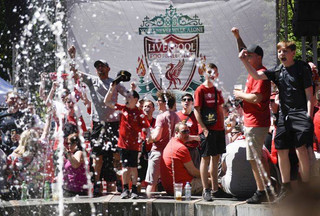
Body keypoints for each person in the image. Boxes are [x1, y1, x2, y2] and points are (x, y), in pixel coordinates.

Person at [238, 41, 313, 202]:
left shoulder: (302, 67)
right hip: (283, 116)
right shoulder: (278, 70)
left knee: (301, 150)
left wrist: (309, 116)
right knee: (281, 150)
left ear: (293, 52)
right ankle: (286, 188)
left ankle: (306, 188)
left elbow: (309, 95)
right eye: (279, 52)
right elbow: (257, 75)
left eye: (285, 51)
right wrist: (244, 61)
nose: (281, 54)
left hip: (300, 113)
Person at [68, 46, 128, 195]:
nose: (99, 68)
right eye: (97, 66)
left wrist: (132, 104)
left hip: (114, 124)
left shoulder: (115, 83)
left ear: (108, 68)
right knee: (97, 157)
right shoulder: (91, 80)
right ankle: (96, 185)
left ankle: (121, 184)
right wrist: (72, 57)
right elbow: (74, 73)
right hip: (98, 124)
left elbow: (128, 96)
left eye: (102, 66)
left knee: (116, 155)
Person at [231, 27, 271, 203]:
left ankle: (262, 191)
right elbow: (243, 51)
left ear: (258, 57)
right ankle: (267, 187)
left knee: (254, 159)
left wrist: (239, 95)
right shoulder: (253, 70)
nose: (246, 58)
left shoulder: (261, 73)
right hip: (252, 122)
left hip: (256, 122)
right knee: (256, 158)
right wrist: (238, 37)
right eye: (246, 56)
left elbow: (257, 98)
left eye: (250, 56)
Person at [104, 83, 150, 199]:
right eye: (126, 97)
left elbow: (147, 127)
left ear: (135, 99)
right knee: (125, 167)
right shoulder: (123, 108)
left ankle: (134, 189)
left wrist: (148, 137)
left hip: (134, 146)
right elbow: (107, 102)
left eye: (129, 97)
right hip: (122, 145)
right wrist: (111, 88)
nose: (127, 99)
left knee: (133, 168)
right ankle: (125, 189)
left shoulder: (139, 113)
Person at [194, 63, 231, 201]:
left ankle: (216, 189)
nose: (212, 74)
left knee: (216, 158)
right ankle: (206, 189)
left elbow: (220, 109)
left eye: (214, 72)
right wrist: (203, 128)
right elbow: (196, 111)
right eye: (209, 71)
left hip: (218, 129)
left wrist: (224, 127)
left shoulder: (217, 90)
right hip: (206, 130)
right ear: (205, 73)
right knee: (205, 158)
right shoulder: (200, 90)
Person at [145, 90, 181, 197]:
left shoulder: (161, 117)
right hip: (170, 154)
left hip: (158, 152)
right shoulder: (176, 116)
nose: (157, 102)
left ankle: (148, 208)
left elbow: (157, 137)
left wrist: (149, 136)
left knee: (152, 182)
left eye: (159, 100)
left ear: (164, 102)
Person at [221, 126, 269, 198]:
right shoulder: (260, 147)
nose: (231, 136)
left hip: (233, 189)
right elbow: (266, 167)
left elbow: (224, 169)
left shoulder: (228, 147)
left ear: (239, 134)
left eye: (233, 133)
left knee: (222, 179)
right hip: (256, 188)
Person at [161, 122, 202, 195]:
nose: (187, 134)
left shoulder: (171, 143)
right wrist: (209, 174)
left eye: (188, 131)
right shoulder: (181, 148)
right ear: (176, 133)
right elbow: (193, 172)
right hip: (182, 188)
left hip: (171, 188)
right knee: (212, 182)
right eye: (184, 132)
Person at [176, 93, 201, 169]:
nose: (186, 101)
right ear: (181, 103)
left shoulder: (197, 117)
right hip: (179, 150)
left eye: (189, 100)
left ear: (192, 103)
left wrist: (191, 138)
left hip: (192, 151)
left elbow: (201, 137)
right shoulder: (176, 115)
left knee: (194, 176)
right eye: (184, 100)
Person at [0, 91, 23, 155]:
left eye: (16, 98)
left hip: (20, 150)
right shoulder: (1, 115)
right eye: (12, 98)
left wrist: (21, 137)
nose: (14, 100)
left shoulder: (24, 116)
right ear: (6, 100)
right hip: (4, 150)